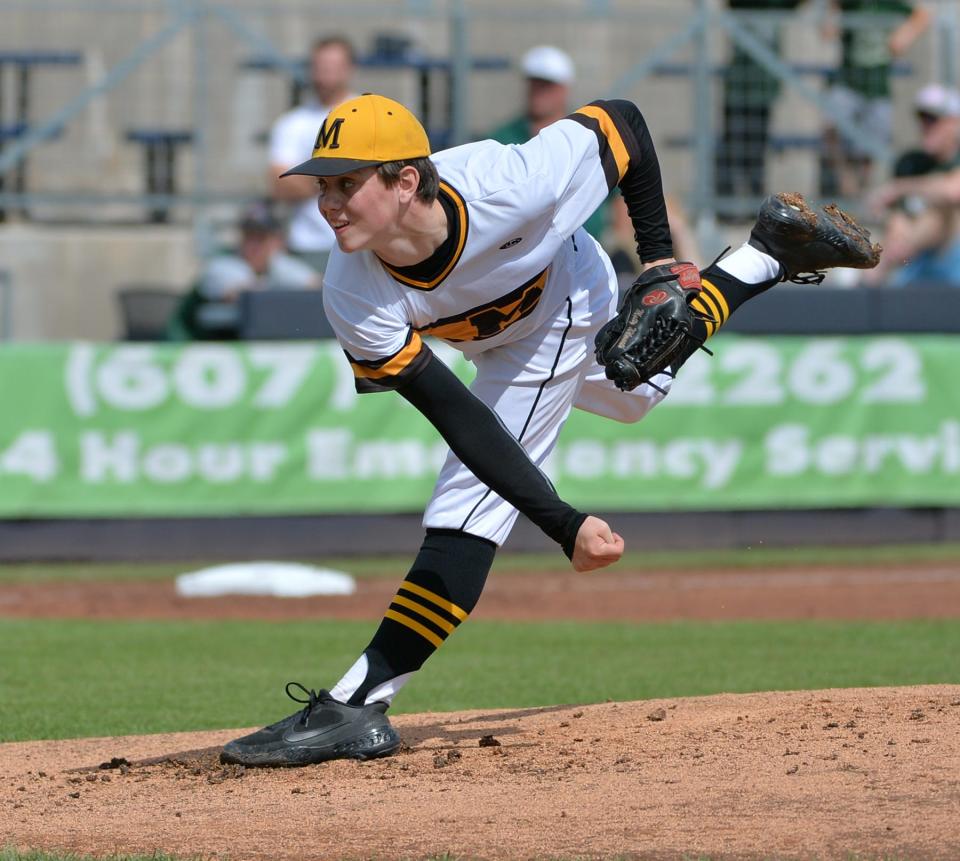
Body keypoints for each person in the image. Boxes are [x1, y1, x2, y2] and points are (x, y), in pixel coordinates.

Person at [220, 94, 879, 767]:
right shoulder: (351, 287)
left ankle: (358, 701)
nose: (328, 202)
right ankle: (766, 254)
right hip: (493, 338)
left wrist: (656, 259)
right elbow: (455, 412)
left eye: (348, 183)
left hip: (563, 293)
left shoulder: (513, 185)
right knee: (638, 391)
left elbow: (625, 121)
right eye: (324, 183)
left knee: (468, 506)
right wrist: (562, 519)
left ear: (406, 180)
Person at [489, 46, 605, 243]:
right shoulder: (503, 137)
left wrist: (623, 245)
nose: (538, 92)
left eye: (546, 85)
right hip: (521, 248)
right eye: (534, 84)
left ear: (564, 89)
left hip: (585, 246)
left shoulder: (587, 136)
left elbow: (620, 195)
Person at [819, 0, 930, 198]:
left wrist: (904, 35)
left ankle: (860, 191)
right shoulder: (851, 4)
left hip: (878, 87)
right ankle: (845, 180)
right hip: (848, 81)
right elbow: (828, 27)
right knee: (830, 126)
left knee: (873, 142)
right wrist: (832, 17)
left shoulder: (888, 3)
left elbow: (922, 15)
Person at [268, 35, 358, 273]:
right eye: (319, 67)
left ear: (348, 69)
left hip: (359, 242)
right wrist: (345, 178)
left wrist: (313, 180)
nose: (323, 74)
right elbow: (280, 185)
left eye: (332, 67)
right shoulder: (291, 123)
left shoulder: (366, 116)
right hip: (307, 247)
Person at [168, 200, 319, 341]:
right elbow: (249, 297)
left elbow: (317, 287)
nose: (253, 245)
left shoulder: (277, 265)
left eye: (260, 238)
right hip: (184, 349)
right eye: (248, 236)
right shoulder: (222, 264)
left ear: (277, 242)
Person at [862, 84, 960, 287]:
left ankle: (876, 274)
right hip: (913, 259)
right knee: (898, 221)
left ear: (953, 123)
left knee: (942, 212)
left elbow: (952, 192)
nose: (925, 126)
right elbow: (897, 214)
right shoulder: (910, 163)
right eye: (922, 119)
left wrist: (899, 187)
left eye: (933, 120)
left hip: (950, 255)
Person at [715, 0, 803, 200]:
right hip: (738, 85)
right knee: (732, 146)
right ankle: (727, 202)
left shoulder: (777, 5)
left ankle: (753, 201)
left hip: (764, 87)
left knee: (757, 150)